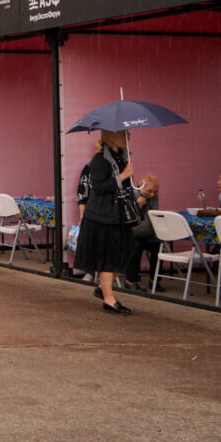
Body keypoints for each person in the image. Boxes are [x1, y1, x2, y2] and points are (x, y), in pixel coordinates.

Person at [73, 129, 136, 315]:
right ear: (111, 138)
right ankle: (109, 300)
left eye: (128, 135)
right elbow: (99, 188)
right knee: (108, 259)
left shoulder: (122, 158)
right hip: (102, 217)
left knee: (125, 253)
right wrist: (123, 176)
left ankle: (103, 288)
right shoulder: (100, 160)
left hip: (117, 216)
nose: (128, 139)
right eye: (123, 135)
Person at [124, 174, 163, 293]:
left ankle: (154, 280)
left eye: (155, 192)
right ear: (141, 187)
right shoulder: (131, 195)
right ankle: (131, 281)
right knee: (136, 244)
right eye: (149, 191)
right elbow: (128, 217)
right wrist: (139, 204)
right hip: (132, 232)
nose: (152, 194)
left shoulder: (154, 197)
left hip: (148, 232)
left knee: (159, 245)